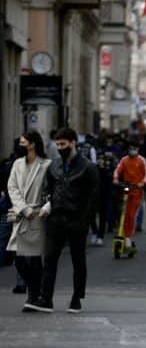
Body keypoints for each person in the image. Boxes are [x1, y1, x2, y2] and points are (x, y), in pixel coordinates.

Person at [27, 128, 100, 314]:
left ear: (73, 143)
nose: (60, 148)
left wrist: (85, 222)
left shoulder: (88, 167)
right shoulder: (54, 166)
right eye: (58, 144)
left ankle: (76, 299)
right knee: (50, 259)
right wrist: (47, 207)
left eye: (63, 144)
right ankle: (46, 299)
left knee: (78, 261)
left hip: (77, 220)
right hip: (56, 220)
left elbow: (93, 198)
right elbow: (50, 191)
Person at [6, 131, 51, 312]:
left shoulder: (46, 165)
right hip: (21, 215)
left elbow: (53, 191)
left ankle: (33, 296)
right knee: (19, 260)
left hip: (38, 216)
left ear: (32, 144)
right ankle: (36, 291)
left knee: (33, 260)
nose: (20, 145)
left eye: (23, 142)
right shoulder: (17, 164)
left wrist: (46, 208)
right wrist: (23, 208)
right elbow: (12, 187)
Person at [112, 142, 146, 250]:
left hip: (137, 191)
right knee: (123, 213)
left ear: (137, 149)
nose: (132, 150)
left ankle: (128, 237)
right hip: (126, 190)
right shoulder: (124, 160)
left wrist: (142, 182)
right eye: (130, 148)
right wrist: (115, 179)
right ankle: (123, 234)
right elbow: (117, 170)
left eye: (134, 148)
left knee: (131, 215)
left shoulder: (142, 160)